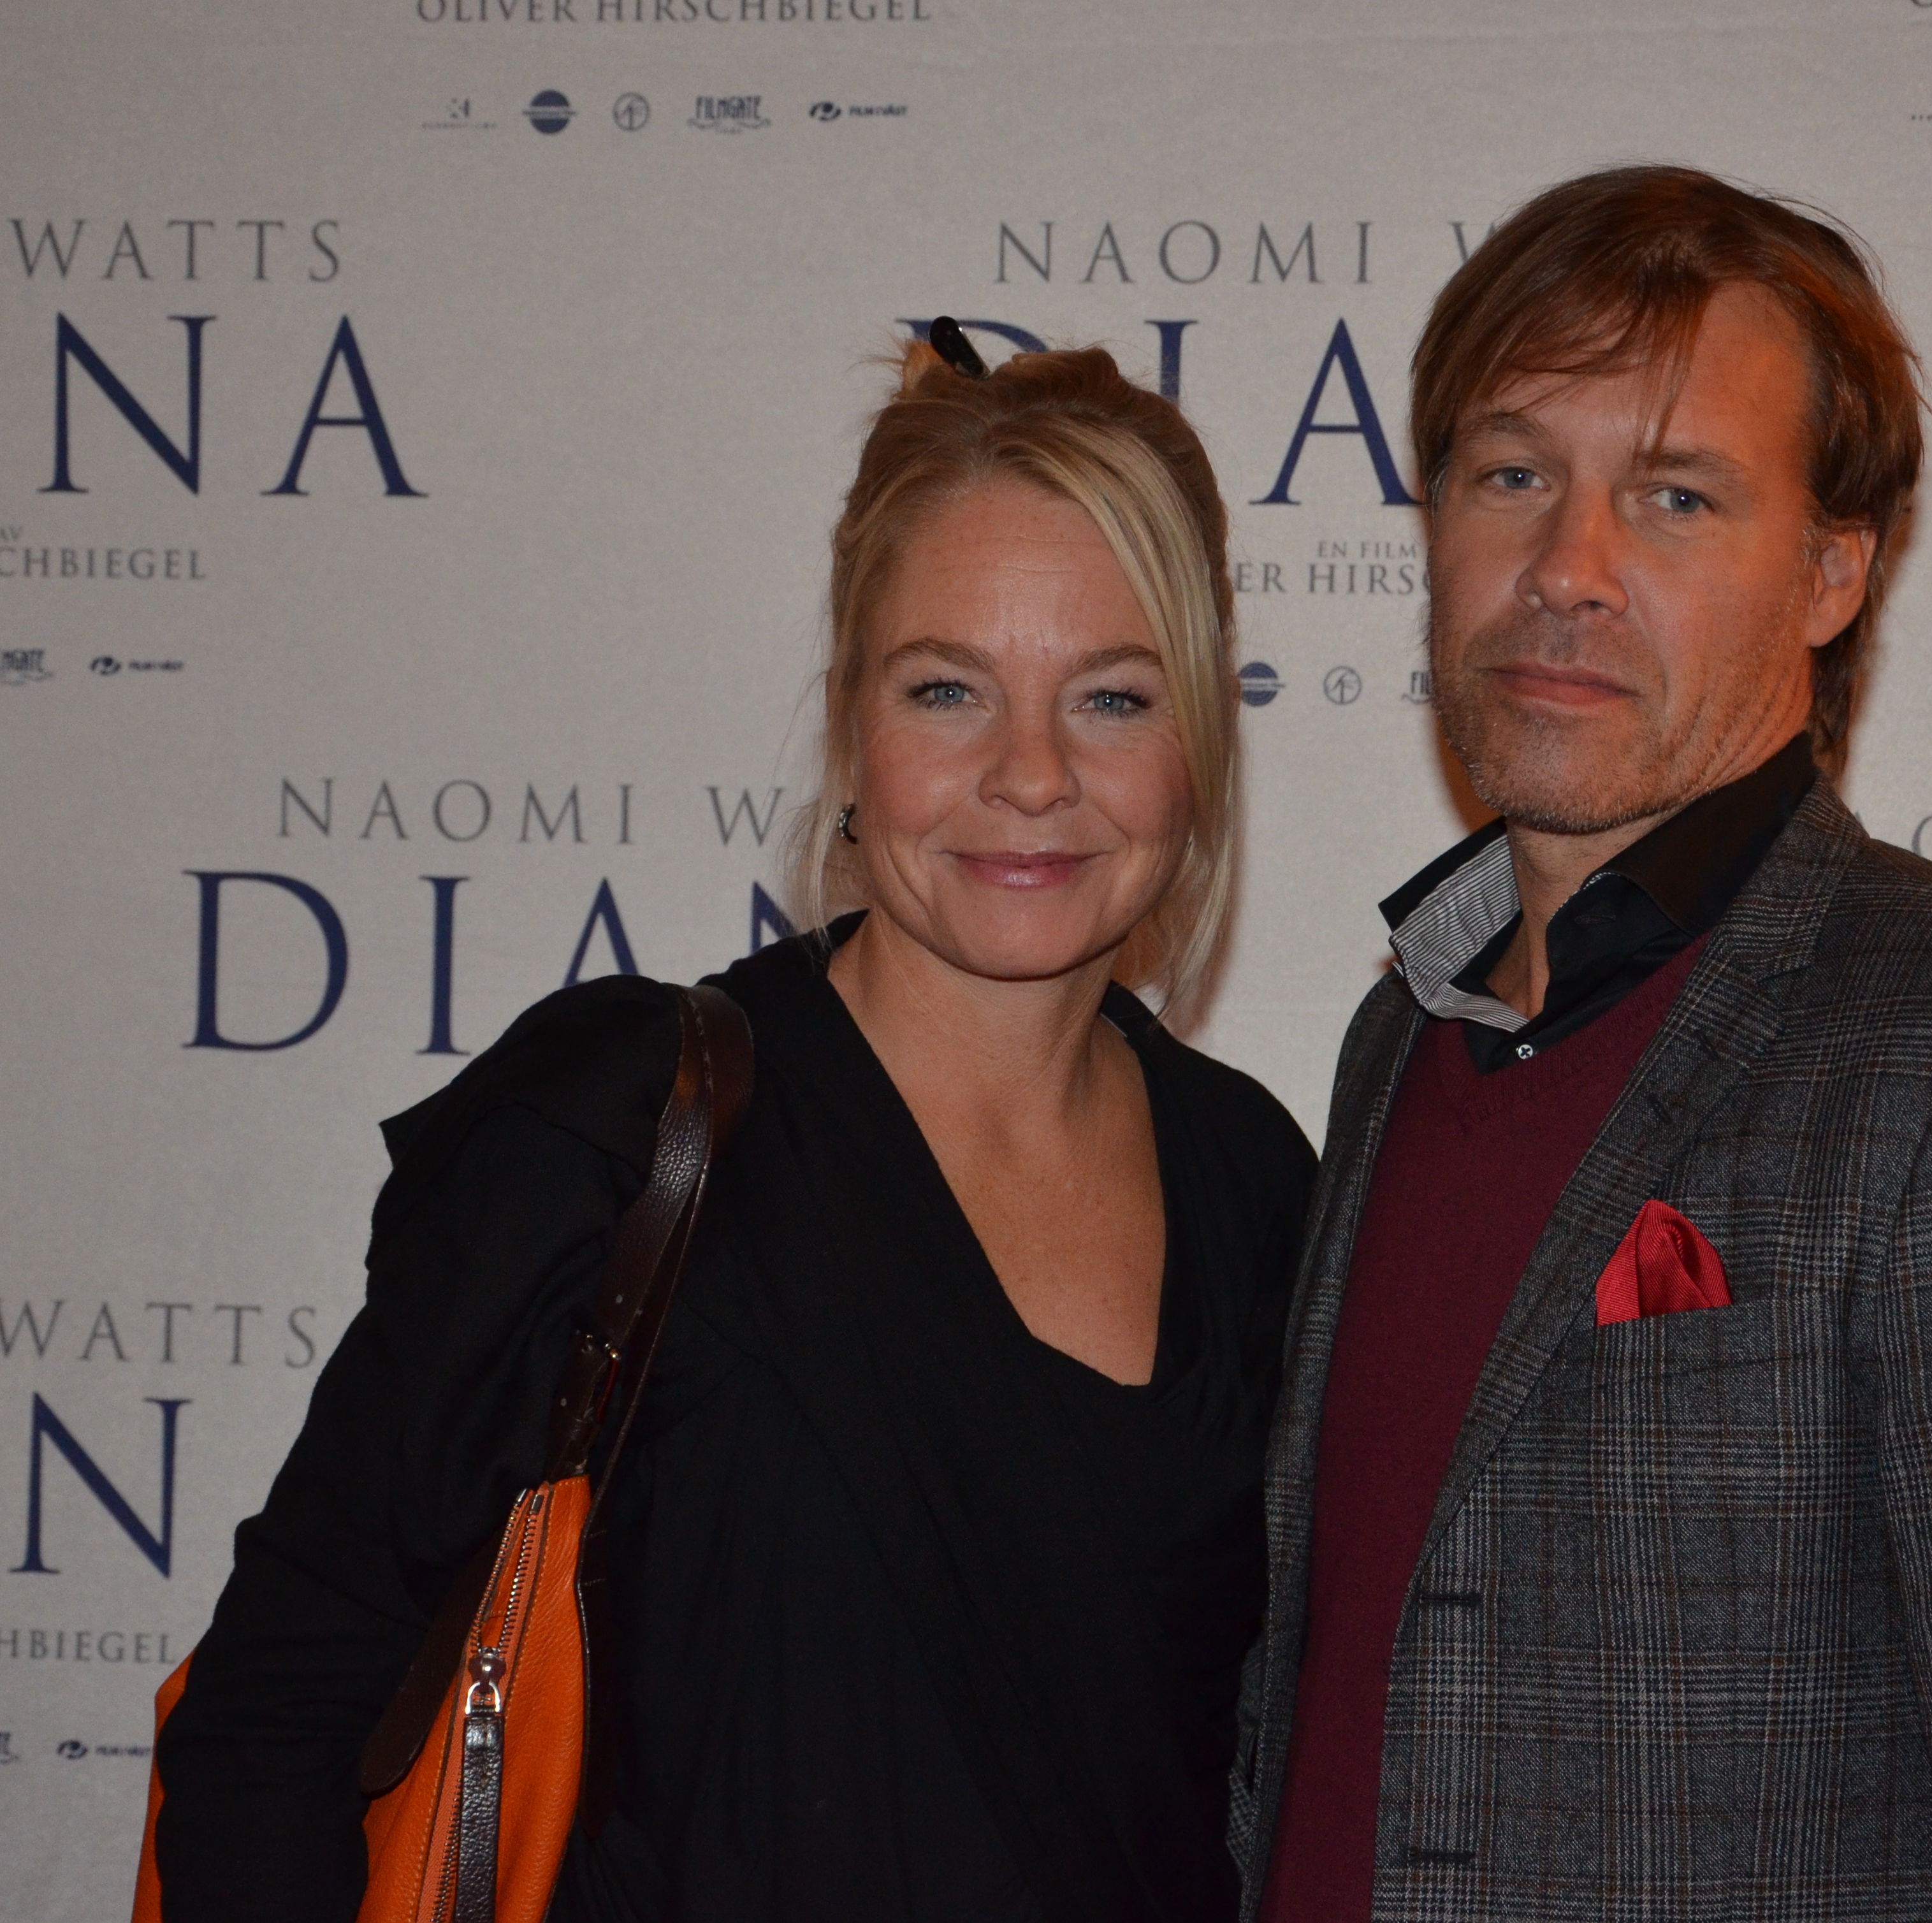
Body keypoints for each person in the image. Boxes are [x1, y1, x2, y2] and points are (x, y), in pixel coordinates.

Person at [154, 335, 1316, 1922]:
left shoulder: (1259, 1184)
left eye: (1111, 697)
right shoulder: (624, 1132)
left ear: (1202, 740)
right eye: (948, 690)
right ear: (851, 726)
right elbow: (274, 1723)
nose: (1031, 775)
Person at [1234, 167, 1932, 1921]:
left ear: (1830, 572)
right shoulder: (1396, 1034)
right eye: (1512, 475)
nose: (1566, 570)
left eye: (1675, 496)